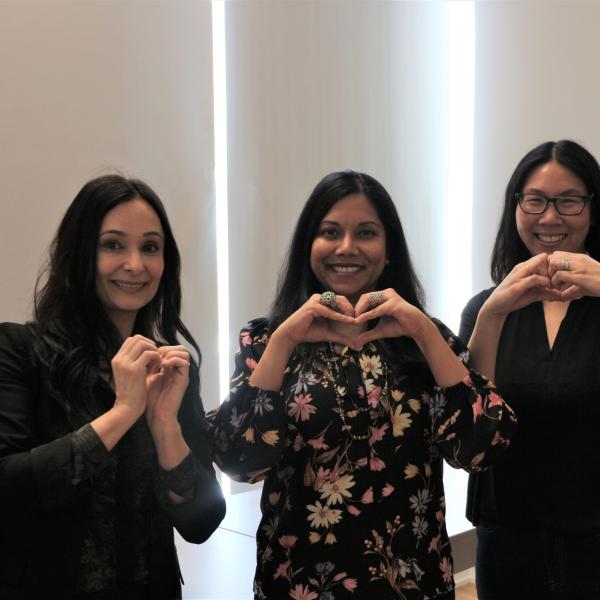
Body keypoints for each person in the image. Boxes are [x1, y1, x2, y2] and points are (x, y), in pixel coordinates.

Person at [210, 170, 515, 600]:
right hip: (297, 581)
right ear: (307, 246)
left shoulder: (426, 340)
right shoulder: (264, 339)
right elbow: (239, 460)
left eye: (366, 233)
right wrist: (285, 341)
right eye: (330, 232)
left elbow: (484, 447)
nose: (347, 248)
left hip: (412, 580)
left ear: (388, 249)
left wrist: (424, 334)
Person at [0, 175, 225, 599]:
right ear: (81, 253)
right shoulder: (18, 351)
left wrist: (163, 425)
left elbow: (202, 521)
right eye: (113, 245)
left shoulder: (171, 368)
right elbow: (9, 491)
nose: (136, 265)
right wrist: (122, 412)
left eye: (150, 247)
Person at [459, 140, 600, 599]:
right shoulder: (487, 308)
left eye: (570, 201)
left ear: (593, 207)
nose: (550, 217)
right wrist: (492, 315)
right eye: (535, 200)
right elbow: (471, 426)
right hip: (507, 538)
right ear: (515, 207)